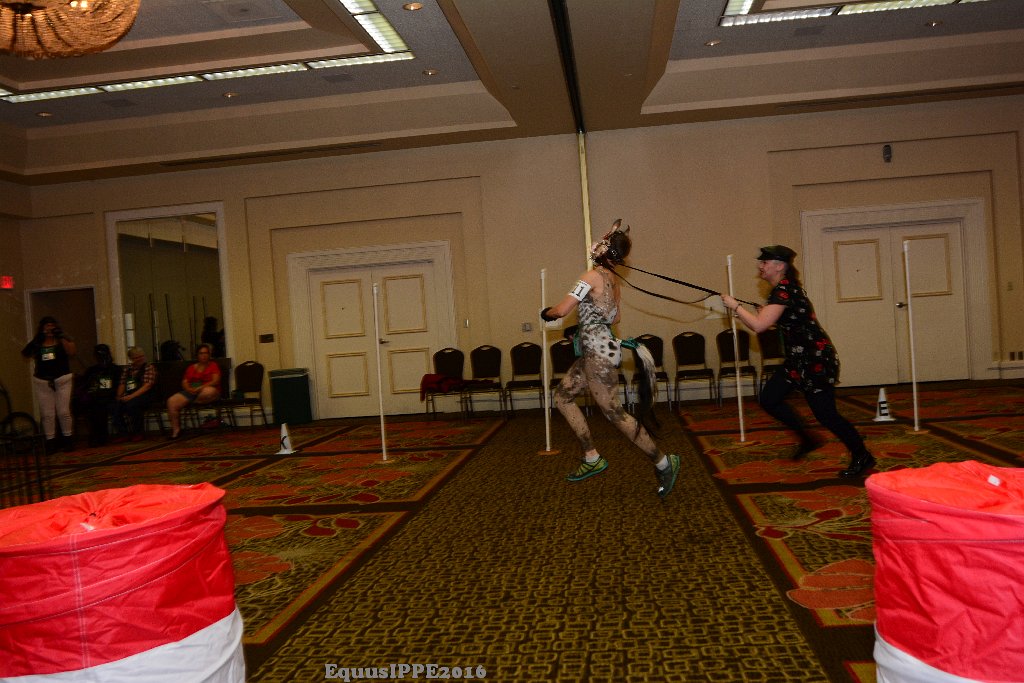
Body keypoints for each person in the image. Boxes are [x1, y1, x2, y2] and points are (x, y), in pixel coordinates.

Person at [540, 219, 681, 498]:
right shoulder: (613, 281)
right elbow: (615, 318)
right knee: (562, 396)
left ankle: (664, 462)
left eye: (599, 244)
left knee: (615, 413)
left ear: (604, 249)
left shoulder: (591, 276)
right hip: (596, 351)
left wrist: (547, 313)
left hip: (598, 355)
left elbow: (562, 309)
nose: (593, 247)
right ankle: (591, 456)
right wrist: (589, 322)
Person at [720, 245, 875, 477]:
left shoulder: (784, 290)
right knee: (769, 398)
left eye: (765, 262)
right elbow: (770, 322)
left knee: (826, 415)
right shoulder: (785, 290)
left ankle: (862, 455)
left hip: (814, 360)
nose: (760, 266)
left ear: (779, 266)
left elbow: (759, 326)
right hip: (798, 360)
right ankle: (808, 439)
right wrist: (756, 312)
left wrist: (736, 307)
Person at [21, 316, 77, 452]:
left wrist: (62, 336)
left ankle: (68, 440)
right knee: (47, 414)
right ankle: (50, 441)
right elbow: (25, 353)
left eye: (52, 325)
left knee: (63, 412)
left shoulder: (61, 340)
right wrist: (38, 338)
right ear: (42, 328)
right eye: (47, 326)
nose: (50, 328)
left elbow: (72, 351)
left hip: (62, 380)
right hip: (43, 382)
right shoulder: (38, 342)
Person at [166, 343, 221, 439]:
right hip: (191, 392)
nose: (204, 356)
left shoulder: (213, 365)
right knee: (171, 401)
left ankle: (189, 401)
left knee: (209, 391)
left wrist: (201, 387)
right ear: (197, 355)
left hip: (207, 390)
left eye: (206, 353)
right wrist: (188, 389)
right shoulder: (191, 368)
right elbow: (185, 382)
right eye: (201, 353)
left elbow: (216, 380)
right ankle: (176, 431)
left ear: (209, 355)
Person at [75, 344, 120, 446]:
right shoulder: (91, 370)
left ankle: (100, 437)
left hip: (109, 397)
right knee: (89, 406)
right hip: (94, 398)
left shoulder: (115, 369)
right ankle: (94, 435)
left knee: (100, 406)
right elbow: (85, 385)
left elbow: (118, 386)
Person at [113, 346, 158, 441]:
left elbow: (147, 386)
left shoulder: (149, 367)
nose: (140, 359)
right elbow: (122, 384)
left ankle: (138, 432)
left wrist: (131, 397)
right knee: (116, 406)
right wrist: (119, 396)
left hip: (146, 395)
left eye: (141, 356)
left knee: (132, 405)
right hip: (130, 395)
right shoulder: (127, 370)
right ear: (131, 359)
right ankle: (123, 433)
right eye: (137, 357)